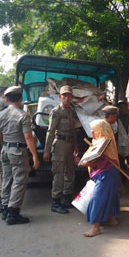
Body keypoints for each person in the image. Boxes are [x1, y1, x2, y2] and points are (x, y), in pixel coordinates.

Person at [0, 86, 40, 225]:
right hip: (18, 151)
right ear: (21, 99)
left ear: (6, 99)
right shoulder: (22, 115)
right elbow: (28, 137)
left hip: (5, 150)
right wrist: (35, 156)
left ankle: (5, 207)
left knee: (7, 179)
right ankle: (13, 212)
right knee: (19, 180)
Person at [81, 119, 121, 237]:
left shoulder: (103, 143)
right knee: (110, 196)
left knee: (96, 199)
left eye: (94, 131)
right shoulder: (105, 141)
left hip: (106, 174)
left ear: (100, 131)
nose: (91, 133)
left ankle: (95, 227)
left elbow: (96, 163)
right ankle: (112, 219)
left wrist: (86, 163)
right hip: (111, 174)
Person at [43, 85, 80, 214]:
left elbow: (74, 131)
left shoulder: (71, 111)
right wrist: (47, 150)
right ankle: (55, 202)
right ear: (60, 97)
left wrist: (76, 147)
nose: (67, 97)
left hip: (69, 145)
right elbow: (50, 131)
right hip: (59, 144)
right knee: (58, 174)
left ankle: (67, 199)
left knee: (70, 173)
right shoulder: (56, 112)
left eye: (69, 95)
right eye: (64, 95)